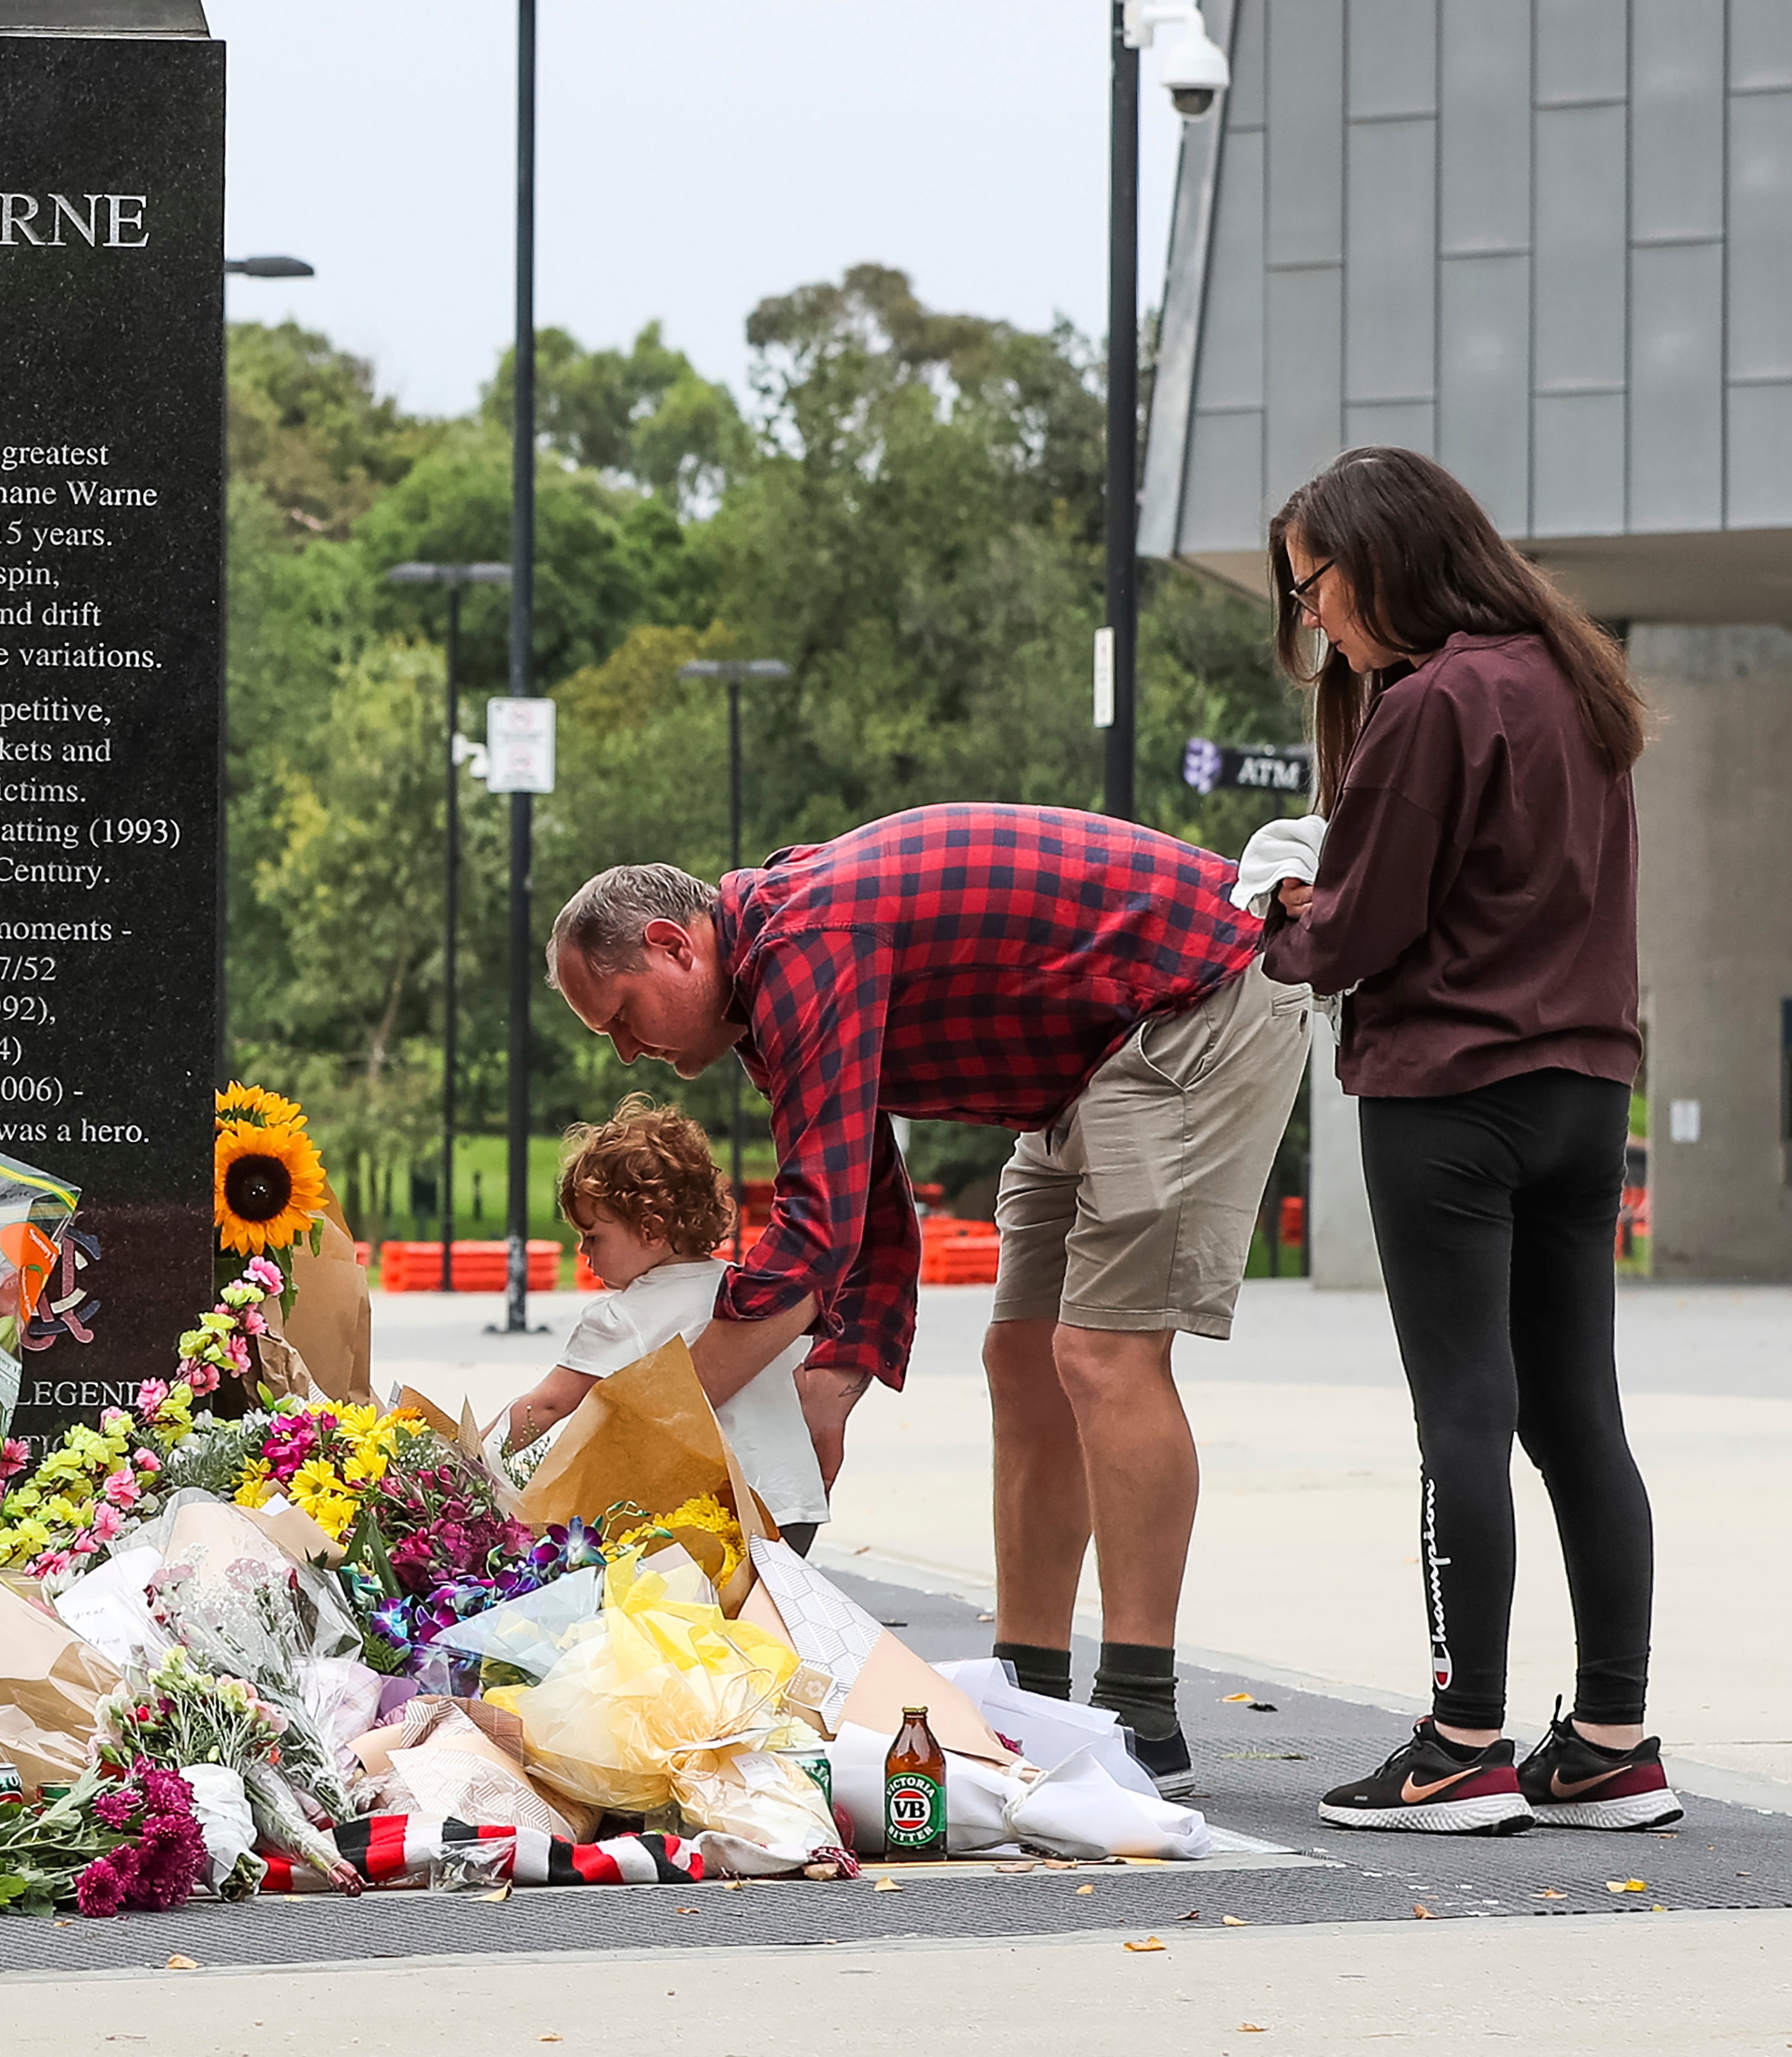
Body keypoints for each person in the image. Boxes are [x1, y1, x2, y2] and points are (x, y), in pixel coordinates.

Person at [546, 807, 1309, 1797]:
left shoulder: (804, 940)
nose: (622, 1051)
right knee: (1021, 1356)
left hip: (1195, 999)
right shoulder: (775, 987)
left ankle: (1139, 1718)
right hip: (1088, 1062)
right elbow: (866, 1193)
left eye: (620, 1014)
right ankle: (1030, 1693)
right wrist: (837, 1373)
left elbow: (815, 1229)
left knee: (1104, 1354)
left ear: (670, 944)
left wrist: (656, 1431)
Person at [1258, 446, 1676, 1834]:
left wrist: (1280, 918)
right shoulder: (1574, 677)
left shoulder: (1433, 701)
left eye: (1315, 590)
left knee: (1463, 1418)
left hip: (1450, 1090)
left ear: (1380, 557)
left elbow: (1362, 927)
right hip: (1583, 1085)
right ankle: (1612, 1736)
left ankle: (1461, 1741)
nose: (1318, 621)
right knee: (1580, 1417)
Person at [500, 1098, 829, 1556]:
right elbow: (800, 1383)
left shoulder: (623, 1315)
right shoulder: (746, 1291)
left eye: (593, 1235)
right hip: (793, 1503)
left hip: (718, 1515)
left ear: (651, 1229)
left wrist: (471, 1461)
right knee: (757, 1624)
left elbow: (550, 1403)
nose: (583, 1251)